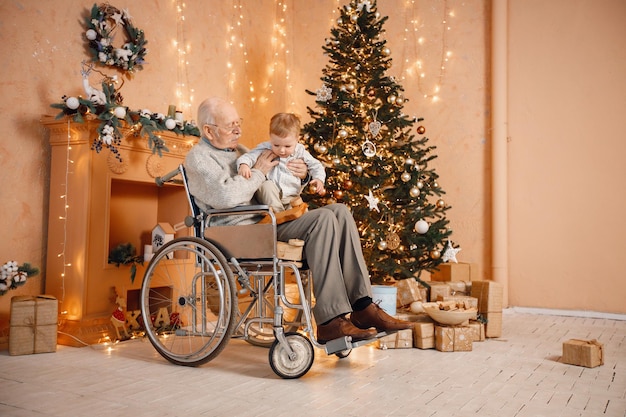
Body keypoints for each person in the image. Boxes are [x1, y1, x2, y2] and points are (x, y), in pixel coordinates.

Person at [184, 97, 413, 344]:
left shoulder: (241, 151)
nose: (238, 129)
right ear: (208, 130)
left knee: (340, 212)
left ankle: (363, 306)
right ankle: (329, 321)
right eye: (231, 125)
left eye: (238, 122)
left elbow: (276, 184)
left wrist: (301, 176)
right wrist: (259, 172)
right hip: (241, 232)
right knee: (323, 219)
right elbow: (226, 196)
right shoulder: (198, 158)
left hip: (268, 221)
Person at [237, 113, 326, 223]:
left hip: (291, 196)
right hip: (271, 195)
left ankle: (293, 221)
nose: (281, 150)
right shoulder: (265, 148)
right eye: (276, 145)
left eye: (287, 146)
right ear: (270, 137)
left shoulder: (300, 151)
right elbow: (248, 156)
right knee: (266, 185)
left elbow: (316, 165)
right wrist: (244, 165)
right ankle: (278, 216)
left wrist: (319, 179)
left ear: (297, 139)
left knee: (298, 214)